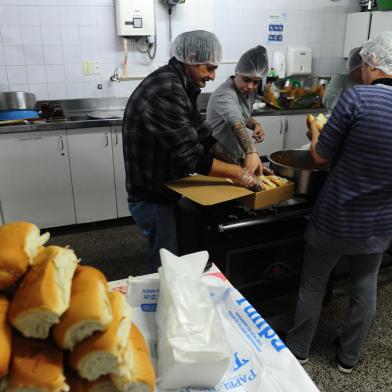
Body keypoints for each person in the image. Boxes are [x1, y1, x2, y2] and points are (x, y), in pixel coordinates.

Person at [286, 31, 392, 374]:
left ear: (372, 63)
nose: (359, 70)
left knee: (314, 281)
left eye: (362, 64)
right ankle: (348, 358)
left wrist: (314, 131)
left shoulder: (357, 98)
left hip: (337, 215)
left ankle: (298, 351)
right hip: (378, 220)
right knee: (365, 286)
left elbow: (319, 156)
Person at [122, 30, 262, 273]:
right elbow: (192, 157)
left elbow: (203, 136)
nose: (213, 75)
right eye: (209, 68)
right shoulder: (168, 89)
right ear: (191, 58)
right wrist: (241, 175)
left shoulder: (181, 84)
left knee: (173, 251)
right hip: (151, 196)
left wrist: (237, 161)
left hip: (165, 189)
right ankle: (162, 304)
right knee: (165, 264)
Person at [206, 46, 269, 175]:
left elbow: (243, 115)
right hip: (217, 159)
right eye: (246, 79)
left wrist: (256, 124)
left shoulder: (248, 91)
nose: (250, 86)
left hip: (235, 157)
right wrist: (252, 152)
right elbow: (237, 123)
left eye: (256, 82)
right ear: (237, 72)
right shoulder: (225, 94)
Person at [322, 46, 363, 110]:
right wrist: (348, 108)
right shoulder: (341, 79)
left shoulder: (371, 82)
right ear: (352, 68)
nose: (363, 73)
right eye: (360, 71)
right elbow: (328, 99)